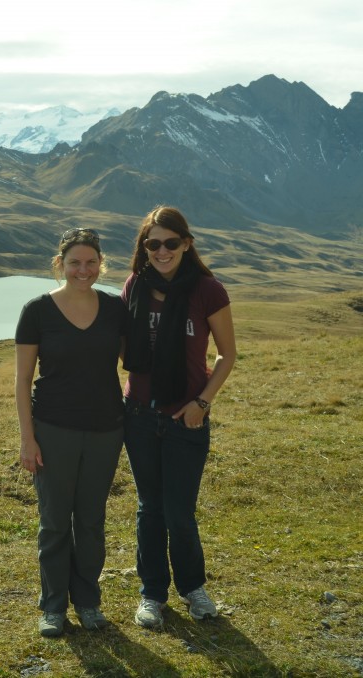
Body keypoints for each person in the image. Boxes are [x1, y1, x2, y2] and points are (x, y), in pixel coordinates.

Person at [121, 205, 236, 629]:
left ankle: (193, 588)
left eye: (171, 243)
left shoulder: (208, 290)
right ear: (144, 248)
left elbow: (227, 355)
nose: (162, 251)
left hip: (186, 418)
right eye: (154, 244)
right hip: (138, 415)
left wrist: (201, 404)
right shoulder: (134, 286)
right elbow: (116, 346)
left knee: (180, 512)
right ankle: (152, 594)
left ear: (186, 244)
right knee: (150, 508)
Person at [15, 227, 126, 637]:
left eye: (91, 262)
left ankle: (89, 602)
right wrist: (28, 438)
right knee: (55, 521)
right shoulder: (37, 311)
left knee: (92, 521)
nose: (84, 270)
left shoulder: (115, 309)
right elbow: (22, 380)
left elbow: (137, 360)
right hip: (53, 429)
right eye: (75, 263)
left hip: (105, 429)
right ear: (60, 265)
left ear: (101, 265)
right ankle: (54, 606)